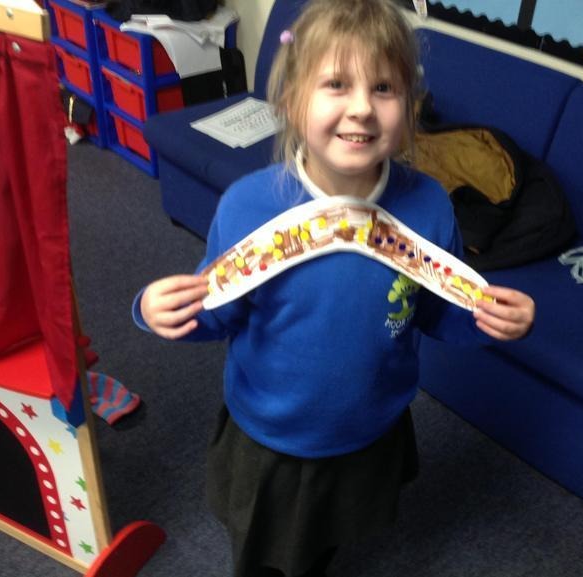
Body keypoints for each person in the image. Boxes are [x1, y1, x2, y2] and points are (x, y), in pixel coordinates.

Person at [133, 0, 535, 575]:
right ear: (292, 101)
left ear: (410, 107)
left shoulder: (428, 206)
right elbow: (215, 312)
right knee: (265, 554)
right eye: (337, 84)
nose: (363, 108)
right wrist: (159, 310)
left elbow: (434, 314)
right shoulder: (249, 206)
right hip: (273, 438)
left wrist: (488, 318)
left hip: (371, 427)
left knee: (328, 540)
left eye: (384, 88)